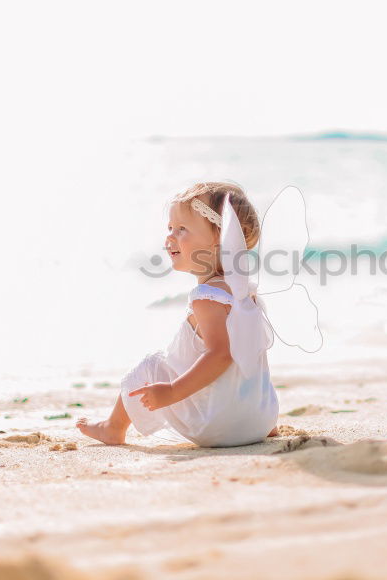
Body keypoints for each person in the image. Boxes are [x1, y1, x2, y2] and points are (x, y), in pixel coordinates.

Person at [76, 182, 279, 447]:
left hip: (217, 425)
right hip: (258, 420)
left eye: (182, 229)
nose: (169, 237)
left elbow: (221, 354)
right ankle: (261, 420)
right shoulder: (246, 294)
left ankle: (112, 428)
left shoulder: (208, 298)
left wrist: (173, 391)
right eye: (170, 228)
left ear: (219, 236)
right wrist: (259, 419)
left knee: (151, 366)